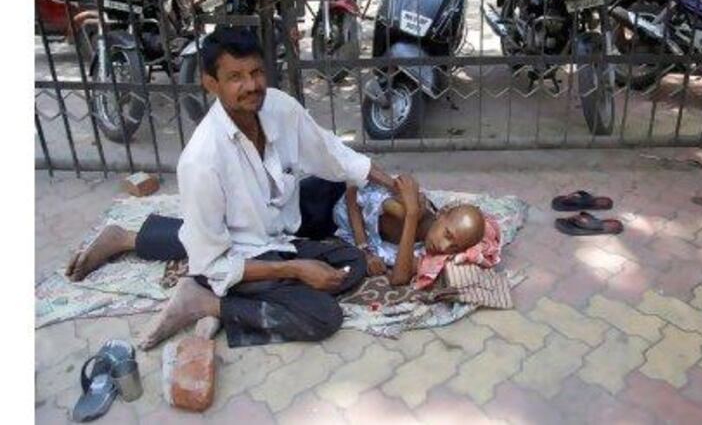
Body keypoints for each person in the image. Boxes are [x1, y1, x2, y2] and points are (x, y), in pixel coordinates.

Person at [65, 27, 400, 350]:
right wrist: (294, 269)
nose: (251, 85)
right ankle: (207, 303)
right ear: (211, 83)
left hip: (277, 234)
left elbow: (330, 151)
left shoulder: (280, 107)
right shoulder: (200, 161)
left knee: (353, 262)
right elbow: (211, 262)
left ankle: (130, 238)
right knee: (323, 316)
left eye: (256, 72)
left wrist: (394, 184)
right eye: (235, 77)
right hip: (239, 255)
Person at [332, 176, 493, 287]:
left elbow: (398, 279)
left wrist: (412, 217)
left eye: (454, 248)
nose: (444, 247)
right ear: (441, 215)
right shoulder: (401, 209)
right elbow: (352, 194)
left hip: (338, 231)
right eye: (447, 235)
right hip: (334, 204)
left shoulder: (426, 251)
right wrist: (365, 250)